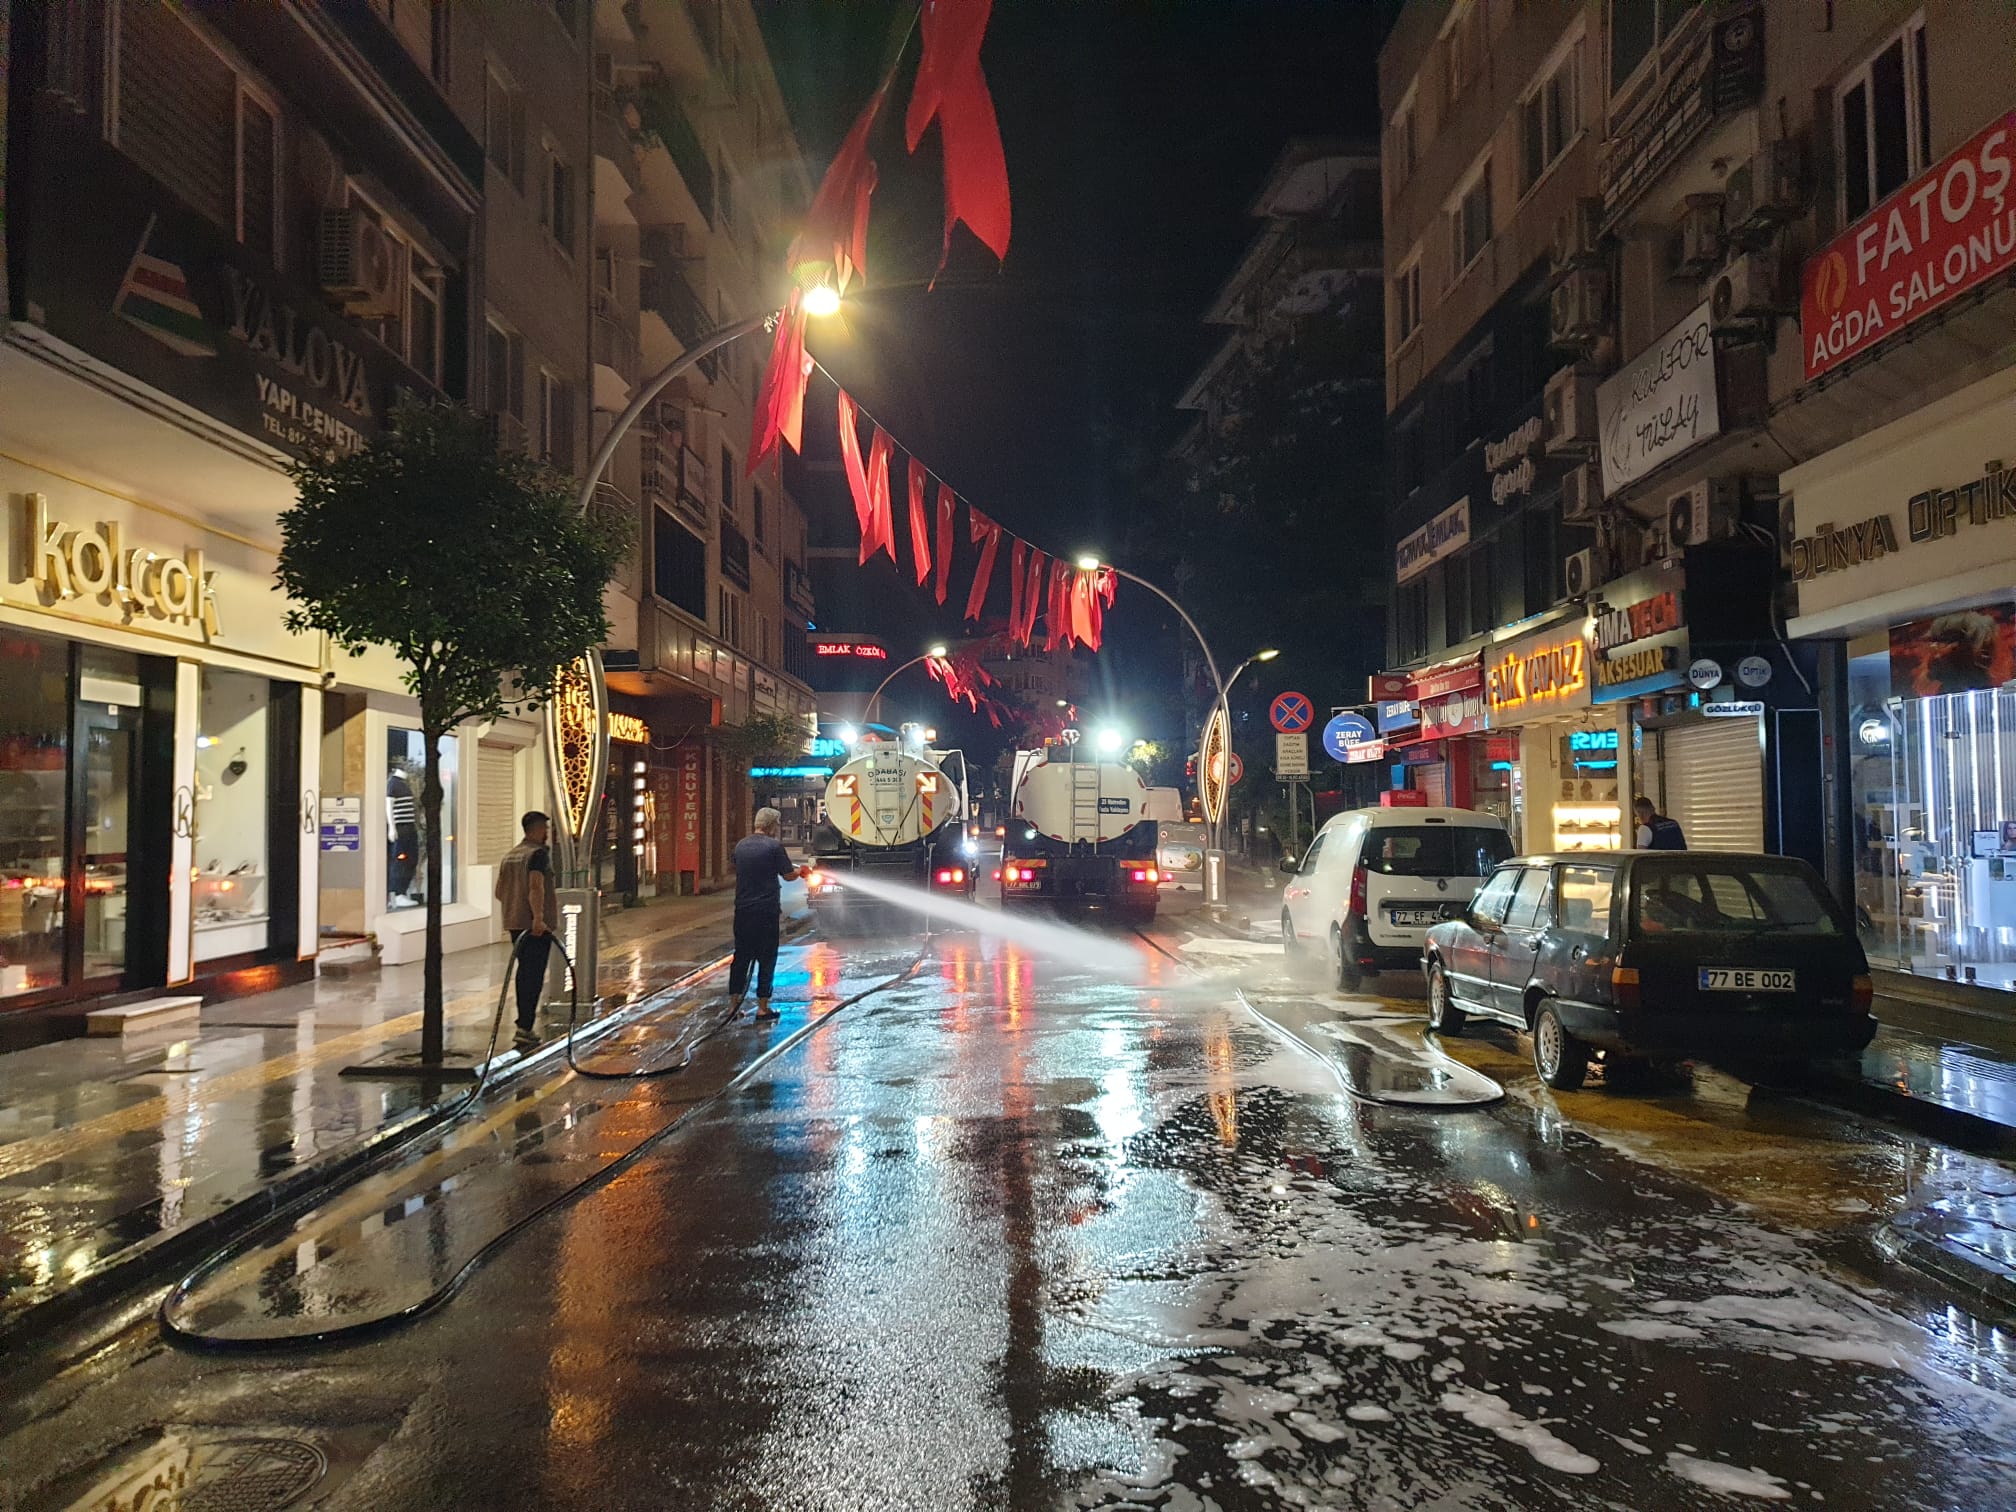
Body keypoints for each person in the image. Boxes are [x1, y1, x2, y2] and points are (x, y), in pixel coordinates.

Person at [731, 806, 807, 1022]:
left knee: (741, 957)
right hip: (766, 910)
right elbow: (788, 875)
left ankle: (733, 1006)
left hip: (743, 910)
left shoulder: (740, 846)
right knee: (767, 958)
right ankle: (763, 1008)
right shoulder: (774, 846)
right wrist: (801, 871)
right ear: (772, 825)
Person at [494, 811, 557, 1051]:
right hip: (534, 927)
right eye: (545, 829)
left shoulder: (511, 855)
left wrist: (514, 907)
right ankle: (525, 1027)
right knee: (533, 975)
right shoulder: (537, 855)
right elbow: (536, 886)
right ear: (537, 829)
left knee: (524, 972)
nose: (547, 833)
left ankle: (524, 1024)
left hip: (515, 923)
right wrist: (538, 918)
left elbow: (499, 892)